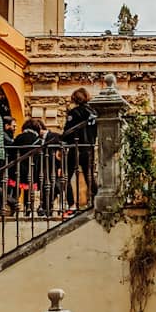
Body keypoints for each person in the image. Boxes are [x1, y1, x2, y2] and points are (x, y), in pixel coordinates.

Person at [61, 88, 96, 218]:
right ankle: (95, 200)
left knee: (65, 178)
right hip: (89, 148)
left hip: (75, 148)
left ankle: (71, 205)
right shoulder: (93, 113)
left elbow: (67, 132)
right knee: (89, 176)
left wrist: (63, 139)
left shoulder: (74, 112)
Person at [12, 119, 42, 216]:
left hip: (19, 166)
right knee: (29, 190)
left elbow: (12, 151)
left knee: (17, 188)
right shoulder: (37, 139)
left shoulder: (19, 137)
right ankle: (28, 208)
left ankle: (15, 207)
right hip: (32, 167)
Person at [37, 120, 63, 217]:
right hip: (44, 166)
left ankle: (47, 207)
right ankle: (45, 207)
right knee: (45, 186)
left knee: (53, 186)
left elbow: (60, 152)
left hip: (54, 166)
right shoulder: (40, 139)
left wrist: (60, 166)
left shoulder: (54, 135)